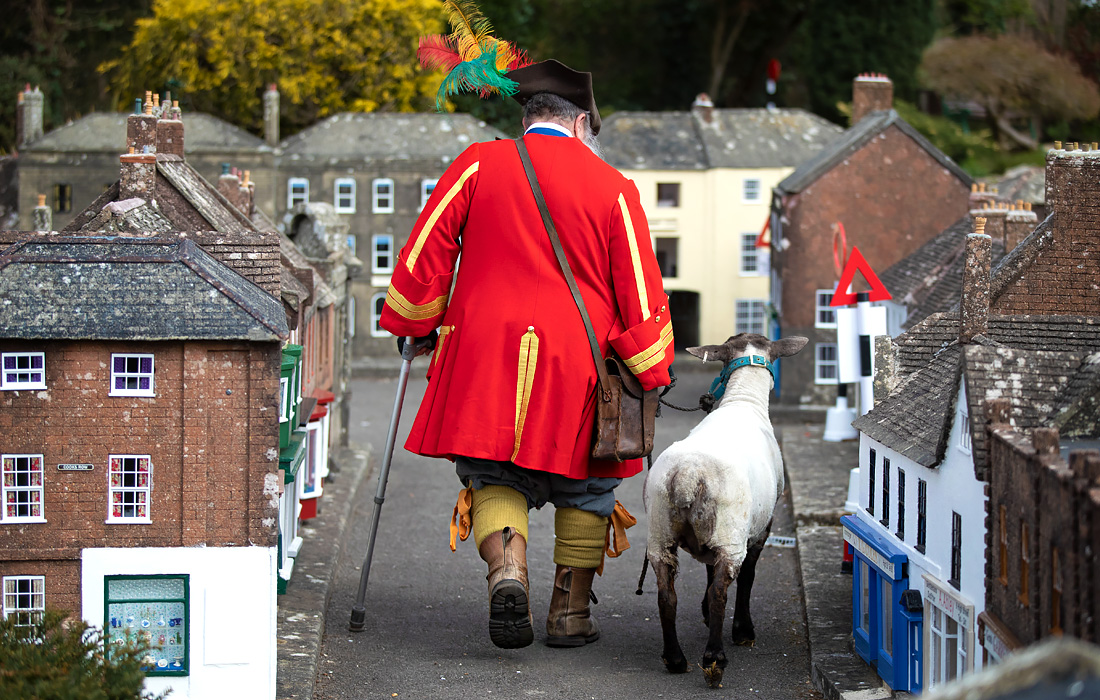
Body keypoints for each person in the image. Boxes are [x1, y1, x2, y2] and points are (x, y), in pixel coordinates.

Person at [379, 59, 674, 650]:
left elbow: (426, 249)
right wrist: (652, 368)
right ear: (584, 121)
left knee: (492, 474)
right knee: (588, 485)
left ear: (527, 115)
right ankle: (569, 616)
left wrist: (414, 321)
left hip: (483, 353)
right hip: (579, 363)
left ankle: (507, 572)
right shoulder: (614, 189)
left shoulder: (477, 164)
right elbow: (640, 292)